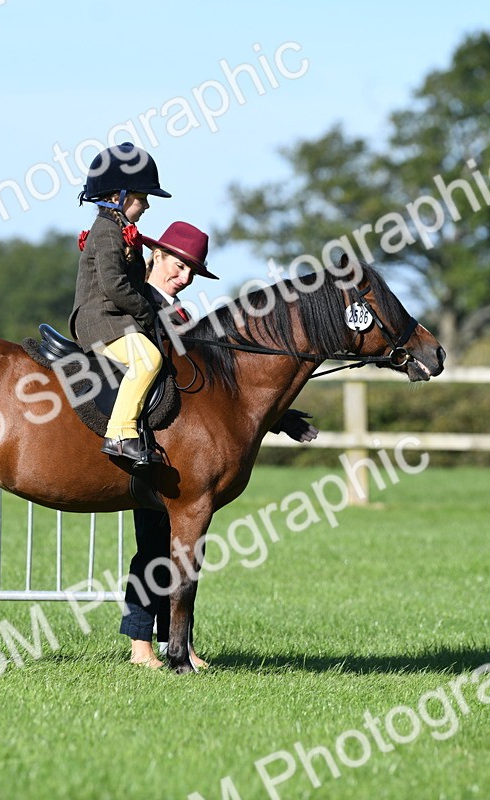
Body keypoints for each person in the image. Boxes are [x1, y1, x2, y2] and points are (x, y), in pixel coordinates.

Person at [122, 221, 319, 670]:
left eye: (191, 270)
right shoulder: (138, 309)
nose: (183, 277)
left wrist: (280, 417)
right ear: (156, 257)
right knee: (152, 546)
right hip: (149, 440)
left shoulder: (186, 320)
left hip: (181, 448)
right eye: (178, 265)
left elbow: (219, 397)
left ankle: (178, 644)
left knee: (169, 547)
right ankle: (142, 646)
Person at [68, 142, 171, 468]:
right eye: (142, 198)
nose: (146, 206)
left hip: (112, 317)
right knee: (148, 359)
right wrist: (147, 312)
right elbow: (115, 287)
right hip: (101, 318)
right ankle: (121, 435)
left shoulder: (117, 229)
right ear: (118, 196)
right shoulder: (107, 232)